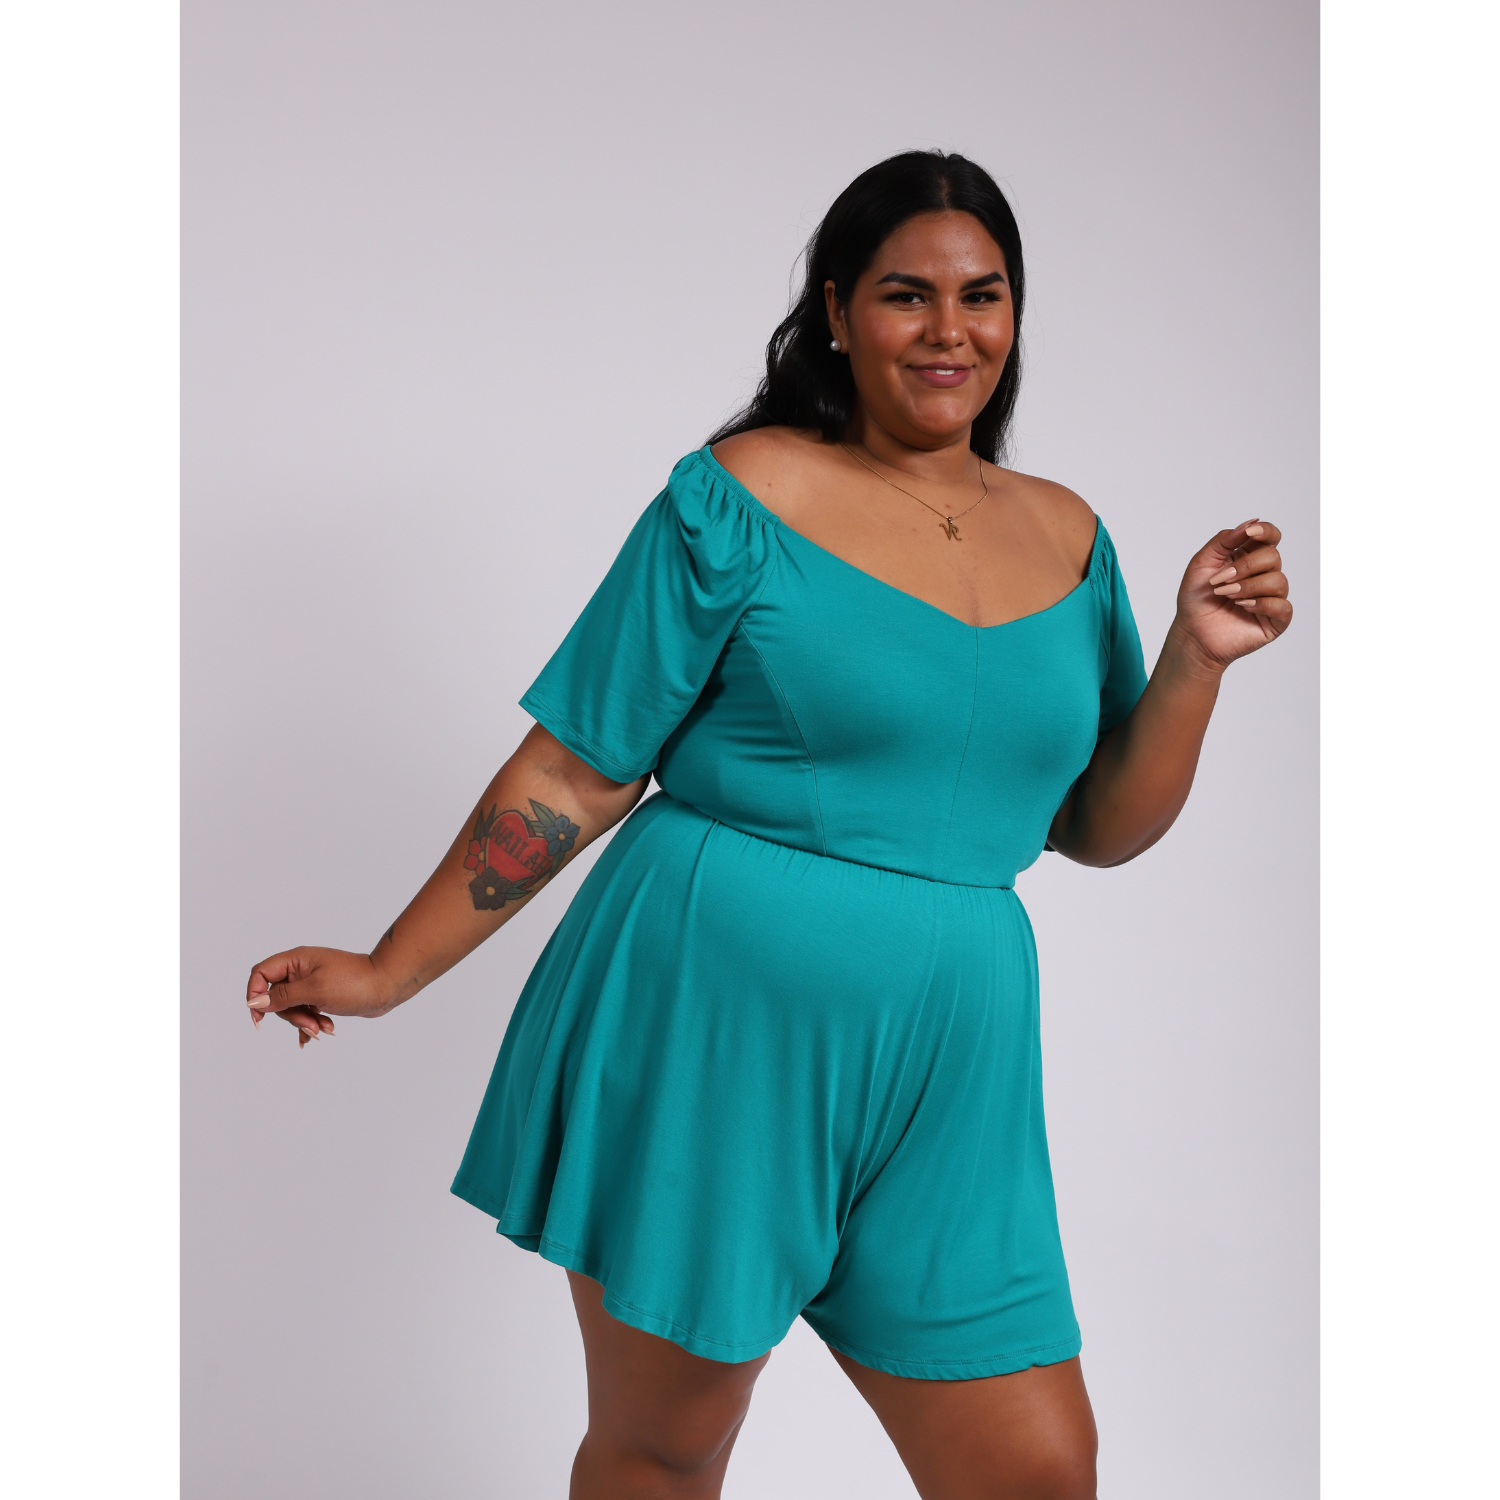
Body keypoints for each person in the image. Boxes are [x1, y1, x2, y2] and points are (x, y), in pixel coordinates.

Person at [245, 150, 1292, 1500]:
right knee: (668, 1448)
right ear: (839, 311)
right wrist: (391, 969)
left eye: (982, 295)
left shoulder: (1071, 537)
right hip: (711, 1018)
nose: (950, 330)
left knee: (1038, 1467)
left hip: (957, 1066)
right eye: (907, 295)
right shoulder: (739, 497)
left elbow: (1095, 824)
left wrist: (1196, 660)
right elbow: (579, 769)